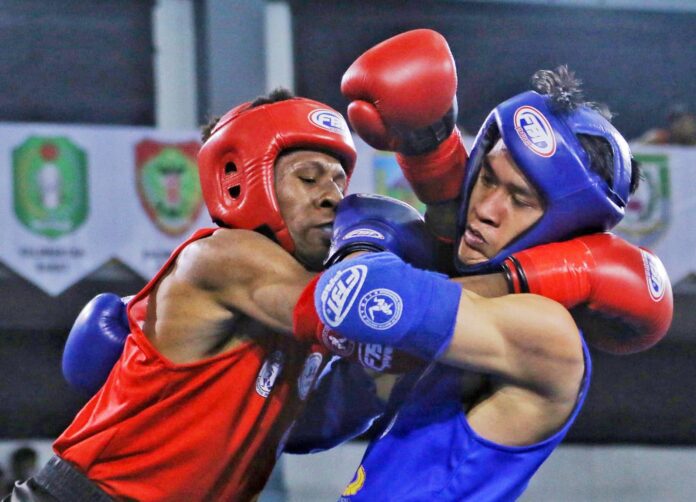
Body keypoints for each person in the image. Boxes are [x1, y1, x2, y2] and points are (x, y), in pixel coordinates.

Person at [290, 30, 673, 501]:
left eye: (520, 199)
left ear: (566, 226)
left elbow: (358, 294)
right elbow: (308, 428)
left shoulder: (547, 334)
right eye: (487, 178)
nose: (487, 209)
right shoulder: (462, 323)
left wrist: (365, 234)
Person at [5, 90, 373, 502]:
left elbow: (312, 426)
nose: (332, 197)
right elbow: (358, 310)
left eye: (338, 180)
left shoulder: (300, 296)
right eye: (308, 178)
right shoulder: (222, 256)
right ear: (240, 180)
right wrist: (386, 235)